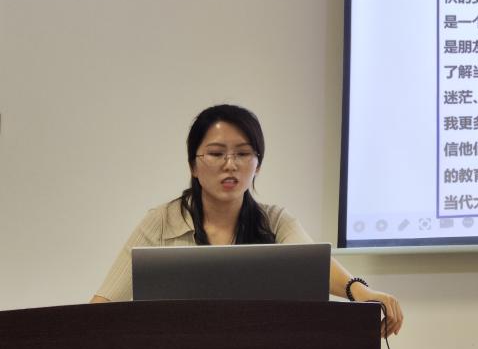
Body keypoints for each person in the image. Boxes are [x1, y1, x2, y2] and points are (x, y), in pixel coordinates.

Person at [90, 104, 403, 337]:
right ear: (193, 166)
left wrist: (362, 292)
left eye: (242, 154)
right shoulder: (162, 221)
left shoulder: (275, 221)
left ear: (258, 165)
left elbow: (315, 266)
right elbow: (102, 304)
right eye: (216, 154)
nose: (230, 165)